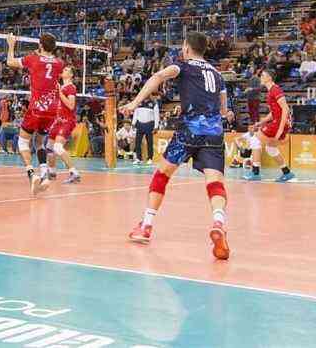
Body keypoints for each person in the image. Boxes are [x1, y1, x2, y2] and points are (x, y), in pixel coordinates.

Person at [121, 32, 231, 260]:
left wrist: (134, 102)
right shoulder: (218, 74)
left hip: (189, 131)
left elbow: (158, 77)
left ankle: (146, 225)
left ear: (187, 48)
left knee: (162, 174)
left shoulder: (183, 66)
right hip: (214, 133)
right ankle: (219, 222)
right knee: (215, 183)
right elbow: (223, 110)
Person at [6, 32, 64, 195]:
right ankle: (44, 175)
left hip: (37, 107)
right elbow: (50, 65)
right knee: (39, 143)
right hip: (52, 109)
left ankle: (32, 174)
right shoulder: (59, 63)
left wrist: (11, 45)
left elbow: (10, 62)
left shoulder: (33, 59)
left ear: (40, 45)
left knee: (23, 142)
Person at [244, 69, 296, 183]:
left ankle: (255, 173)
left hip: (279, 123)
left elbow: (285, 109)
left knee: (255, 139)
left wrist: (280, 128)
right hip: (277, 122)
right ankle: (287, 172)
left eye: (263, 75)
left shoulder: (275, 90)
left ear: (269, 78)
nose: (261, 77)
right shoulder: (270, 91)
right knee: (270, 148)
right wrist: (261, 122)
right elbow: (274, 112)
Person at [48, 66, 81, 185]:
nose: (63, 71)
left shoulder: (71, 88)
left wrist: (59, 93)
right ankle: (51, 172)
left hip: (67, 121)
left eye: (66, 70)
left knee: (57, 147)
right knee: (49, 148)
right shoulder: (60, 87)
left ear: (71, 75)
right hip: (57, 121)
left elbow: (71, 106)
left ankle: (74, 173)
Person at [132, 99, 159, 165]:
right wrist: (133, 123)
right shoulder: (139, 102)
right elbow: (136, 113)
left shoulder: (154, 103)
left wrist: (156, 127)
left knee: (149, 143)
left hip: (149, 124)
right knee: (137, 142)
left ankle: (150, 158)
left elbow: (156, 116)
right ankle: (138, 158)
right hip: (140, 124)